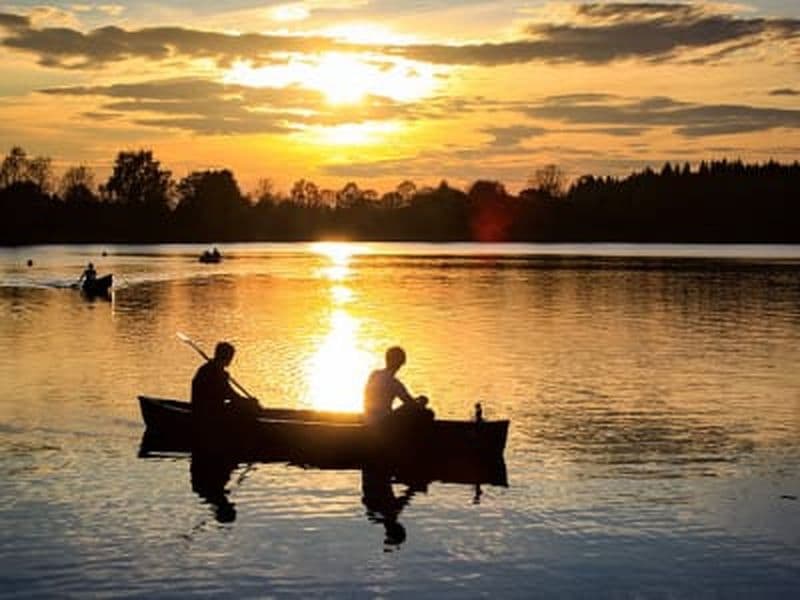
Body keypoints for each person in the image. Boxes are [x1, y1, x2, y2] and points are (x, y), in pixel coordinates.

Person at [191, 342, 255, 438]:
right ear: (225, 356)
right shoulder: (213, 372)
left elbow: (228, 394)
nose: (231, 359)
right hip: (208, 412)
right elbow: (229, 394)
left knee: (245, 406)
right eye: (230, 356)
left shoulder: (214, 370)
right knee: (245, 409)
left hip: (210, 408)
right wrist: (248, 402)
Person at [363, 346, 429, 425]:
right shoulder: (394, 383)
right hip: (383, 423)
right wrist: (422, 401)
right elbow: (410, 403)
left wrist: (417, 401)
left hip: (369, 419)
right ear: (400, 363)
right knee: (428, 413)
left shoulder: (374, 374)